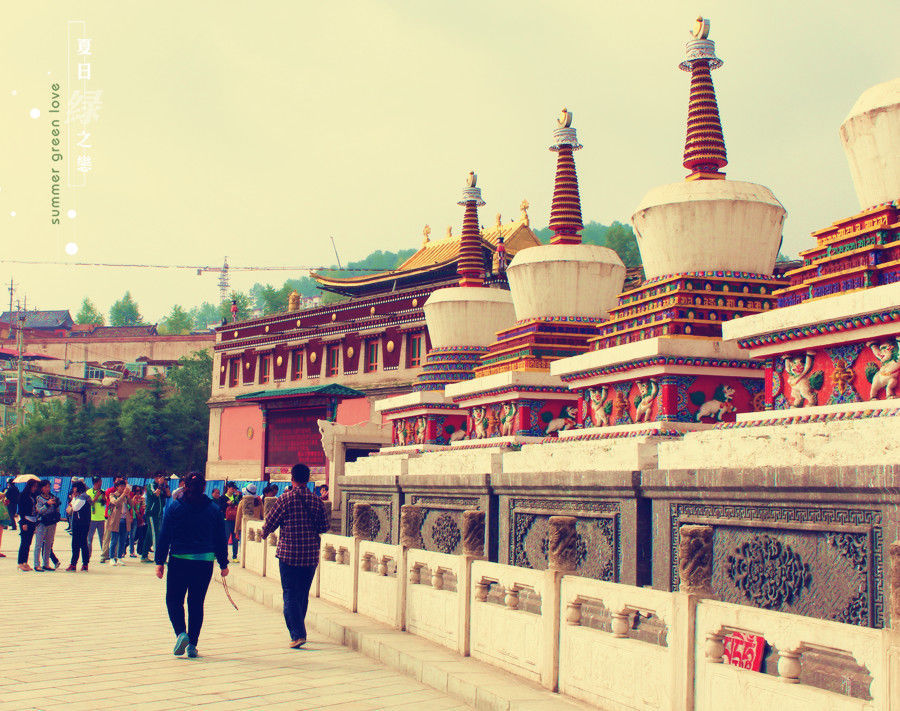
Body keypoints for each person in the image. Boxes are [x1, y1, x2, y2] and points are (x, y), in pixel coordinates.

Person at [155, 473, 228, 659]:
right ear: (204, 488)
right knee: (196, 603)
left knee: (173, 600)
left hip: (179, 560)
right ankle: (193, 646)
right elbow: (220, 537)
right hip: (204, 562)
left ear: (185, 486)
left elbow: (164, 535)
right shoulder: (213, 509)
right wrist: (223, 563)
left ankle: (181, 633)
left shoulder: (175, 508)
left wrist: (159, 561)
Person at [260, 463, 330, 649]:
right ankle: (300, 628)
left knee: (290, 593)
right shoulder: (316, 501)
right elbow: (324, 527)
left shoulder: (285, 499)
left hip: (288, 554)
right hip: (309, 555)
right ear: (308, 479)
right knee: (302, 594)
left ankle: (298, 634)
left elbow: (271, 521)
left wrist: (263, 533)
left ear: (292, 478)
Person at [33, 480, 61, 572]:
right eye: (45, 487)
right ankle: (37, 564)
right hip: (42, 522)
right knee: (39, 544)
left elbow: (57, 509)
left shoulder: (53, 497)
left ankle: (46, 564)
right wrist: (47, 504)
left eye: (48, 487)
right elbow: (39, 511)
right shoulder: (38, 498)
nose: (47, 489)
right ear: (41, 488)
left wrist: (56, 504)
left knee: (49, 544)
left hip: (51, 523)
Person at [66, 480, 92, 571]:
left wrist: (73, 500)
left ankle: (75, 564)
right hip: (82, 523)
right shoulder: (82, 497)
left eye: (74, 487)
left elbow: (75, 507)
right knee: (81, 543)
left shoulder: (82, 497)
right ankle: (83, 563)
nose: (73, 489)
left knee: (78, 544)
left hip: (81, 524)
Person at [106, 478, 132, 566]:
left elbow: (131, 505)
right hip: (116, 520)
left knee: (122, 540)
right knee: (114, 540)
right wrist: (123, 495)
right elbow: (115, 503)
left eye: (124, 486)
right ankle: (111, 557)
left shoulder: (125, 496)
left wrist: (128, 496)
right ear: (117, 487)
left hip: (125, 520)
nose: (123, 488)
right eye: (121, 486)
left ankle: (119, 557)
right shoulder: (113, 495)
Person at [16, 480, 39, 571]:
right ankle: (20, 562)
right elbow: (21, 510)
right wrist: (23, 523)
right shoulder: (23, 495)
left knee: (28, 543)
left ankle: (25, 562)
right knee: (24, 543)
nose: (35, 488)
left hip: (33, 520)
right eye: (33, 486)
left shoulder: (32, 496)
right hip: (26, 520)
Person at [233, 484, 262, 550]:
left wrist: (236, 530)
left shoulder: (242, 502)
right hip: (257, 527)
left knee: (244, 548)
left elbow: (238, 517)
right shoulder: (259, 502)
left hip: (244, 527)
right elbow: (262, 515)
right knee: (254, 548)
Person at [86, 477, 106, 561]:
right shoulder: (89, 492)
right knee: (89, 538)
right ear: (96, 483)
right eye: (100, 482)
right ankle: (88, 555)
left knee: (102, 538)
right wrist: (96, 497)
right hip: (92, 518)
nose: (101, 483)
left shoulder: (103, 491)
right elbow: (89, 503)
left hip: (101, 518)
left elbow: (104, 503)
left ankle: (103, 555)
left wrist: (103, 496)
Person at [222, 482, 242, 562]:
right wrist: (227, 504)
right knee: (225, 539)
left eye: (234, 489)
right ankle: (224, 556)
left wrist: (238, 496)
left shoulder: (235, 497)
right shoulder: (223, 497)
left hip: (235, 520)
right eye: (232, 488)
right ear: (228, 488)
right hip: (226, 520)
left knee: (235, 539)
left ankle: (234, 556)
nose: (233, 490)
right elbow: (221, 508)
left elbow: (239, 503)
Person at [129, 486, 146, 558]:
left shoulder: (142, 499)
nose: (138, 493)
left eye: (139, 491)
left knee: (134, 535)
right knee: (129, 535)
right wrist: (133, 500)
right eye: (136, 491)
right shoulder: (130, 497)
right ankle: (126, 551)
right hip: (130, 518)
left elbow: (143, 508)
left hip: (138, 519)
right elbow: (130, 506)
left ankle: (133, 551)